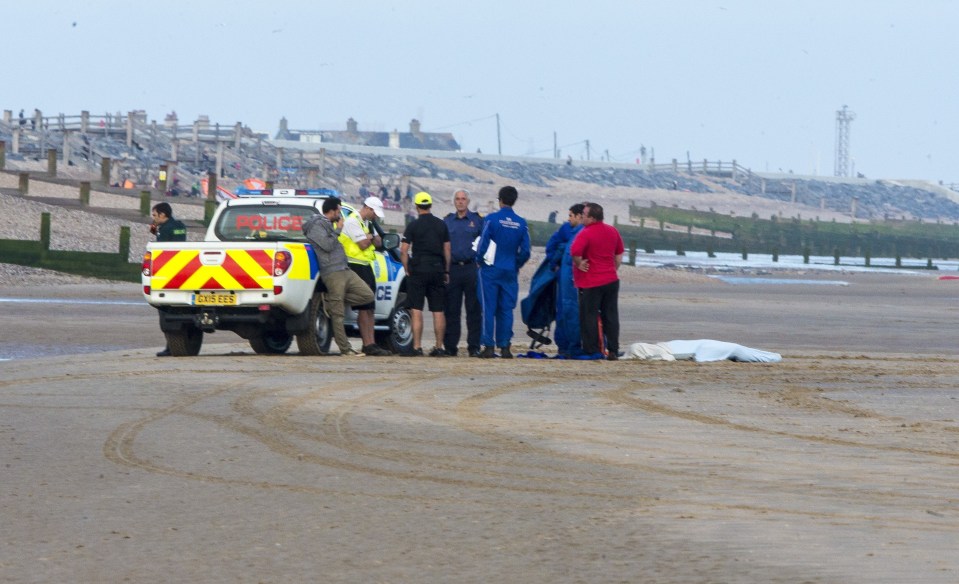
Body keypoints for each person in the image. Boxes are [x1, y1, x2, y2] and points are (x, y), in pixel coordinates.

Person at [302, 196, 376, 357]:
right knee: (338, 314)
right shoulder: (316, 225)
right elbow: (327, 245)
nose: (341, 214)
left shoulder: (328, 224)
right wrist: (338, 229)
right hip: (332, 272)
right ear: (333, 210)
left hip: (344, 269)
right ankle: (345, 348)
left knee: (368, 296)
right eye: (339, 210)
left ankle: (333, 300)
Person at [474, 185, 531, 359]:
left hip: (491, 269)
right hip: (510, 270)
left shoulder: (492, 219)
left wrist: (479, 260)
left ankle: (489, 345)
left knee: (489, 308)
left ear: (500, 200)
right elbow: (526, 250)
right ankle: (505, 346)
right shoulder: (521, 223)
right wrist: (516, 264)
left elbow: (483, 242)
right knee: (506, 309)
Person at [338, 197, 393, 356]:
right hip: (355, 266)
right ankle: (367, 343)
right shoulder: (353, 221)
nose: (375, 216)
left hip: (366, 265)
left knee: (370, 306)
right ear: (367, 208)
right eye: (374, 212)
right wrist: (369, 237)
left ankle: (371, 342)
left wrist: (369, 237)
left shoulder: (367, 223)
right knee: (364, 305)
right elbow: (363, 244)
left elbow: (378, 242)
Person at [570, 202, 625, 361]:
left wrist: (579, 263)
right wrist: (613, 268)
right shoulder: (612, 230)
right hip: (610, 279)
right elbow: (619, 254)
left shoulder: (586, 232)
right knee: (611, 315)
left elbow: (574, 251)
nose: (581, 218)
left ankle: (592, 349)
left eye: (584, 215)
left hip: (592, 281)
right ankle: (613, 349)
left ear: (592, 218)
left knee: (589, 316)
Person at [400, 191, 451, 357]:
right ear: (430, 205)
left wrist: (406, 268)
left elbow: (404, 250)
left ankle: (416, 347)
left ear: (416, 206)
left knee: (416, 309)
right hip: (437, 268)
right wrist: (446, 270)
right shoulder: (441, 224)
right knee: (438, 310)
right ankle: (439, 347)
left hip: (418, 269)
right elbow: (447, 249)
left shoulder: (413, 225)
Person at [442, 188, 483, 357]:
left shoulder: (478, 220)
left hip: (471, 268)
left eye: (463, 198)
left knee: (473, 309)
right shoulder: (447, 221)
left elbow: (487, 242)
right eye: (457, 199)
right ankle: (451, 347)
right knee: (451, 310)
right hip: (452, 269)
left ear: (468, 201)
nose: (460, 201)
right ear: (454, 201)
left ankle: (474, 346)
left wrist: (482, 263)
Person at [546, 203, 585, 358]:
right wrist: (554, 264)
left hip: (571, 276)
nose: (568, 219)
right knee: (567, 311)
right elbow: (552, 246)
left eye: (570, 215)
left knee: (570, 311)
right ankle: (567, 346)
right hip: (567, 276)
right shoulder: (567, 229)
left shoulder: (581, 232)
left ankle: (571, 345)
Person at [151, 202, 187, 357]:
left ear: (162, 215)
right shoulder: (180, 225)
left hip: (167, 274)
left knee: (165, 312)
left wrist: (157, 233)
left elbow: (161, 250)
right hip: (182, 273)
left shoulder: (164, 229)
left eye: (154, 215)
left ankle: (170, 346)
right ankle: (177, 345)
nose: (153, 218)